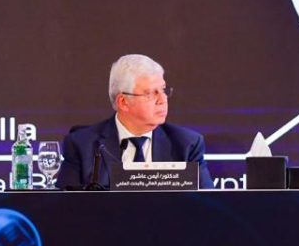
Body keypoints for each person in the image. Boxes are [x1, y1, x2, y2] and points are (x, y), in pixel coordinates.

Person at [57, 54, 214, 189]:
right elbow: (66, 207)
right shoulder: (82, 145)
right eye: (151, 93)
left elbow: (207, 206)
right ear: (123, 102)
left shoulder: (187, 144)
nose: (163, 99)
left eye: (163, 90)